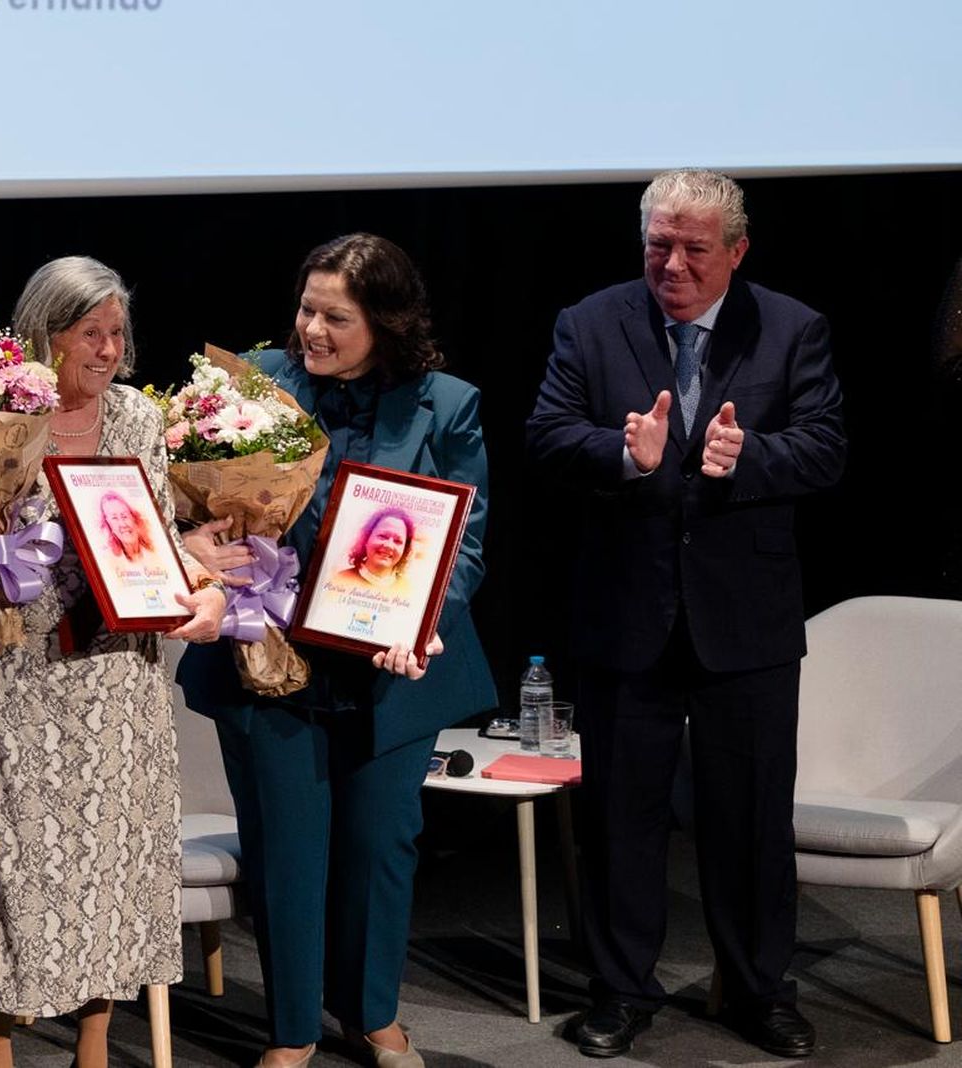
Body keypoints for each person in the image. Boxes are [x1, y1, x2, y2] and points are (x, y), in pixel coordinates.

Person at [526, 169, 846, 1059]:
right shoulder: (591, 323)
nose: (671, 264)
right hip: (626, 616)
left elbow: (825, 448)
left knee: (749, 818)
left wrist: (750, 456)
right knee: (621, 817)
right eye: (658, 245)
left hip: (746, 622)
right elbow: (548, 434)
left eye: (694, 249)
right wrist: (622, 454)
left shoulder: (790, 328)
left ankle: (756, 992)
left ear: (736, 252)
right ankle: (619, 994)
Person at [178, 233, 497, 1068]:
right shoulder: (250, 385)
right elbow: (201, 505)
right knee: (285, 845)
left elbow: (462, 540)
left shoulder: (447, 404)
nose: (311, 329)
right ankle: (290, 1029)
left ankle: (373, 1012)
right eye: (306, 309)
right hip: (270, 659)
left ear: (385, 323)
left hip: (390, 670)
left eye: (335, 317)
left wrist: (424, 618)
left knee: (379, 843)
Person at [0, 255, 227, 1068]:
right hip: (21, 673)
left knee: (114, 862)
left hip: (121, 672)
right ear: (46, 336)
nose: (110, 350)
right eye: (92, 333)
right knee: (17, 860)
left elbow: (150, 542)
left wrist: (200, 586)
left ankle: (93, 1039)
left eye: (118, 333)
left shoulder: (136, 423)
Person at [328, 506, 416, 593]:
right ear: (366, 539)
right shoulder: (339, 581)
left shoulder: (408, 590)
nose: (389, 545)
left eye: (397, 541)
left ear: (404, 549)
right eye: (382, 536)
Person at [98, 489, 159, 563]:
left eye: (124, 516)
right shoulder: (107, 560)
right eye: (114, 518)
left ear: (134, 518)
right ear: (109, 525)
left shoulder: (157, 549)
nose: (123, 524)